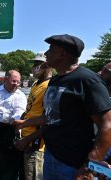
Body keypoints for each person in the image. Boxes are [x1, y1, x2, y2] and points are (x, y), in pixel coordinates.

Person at [17, 34, 111, 179]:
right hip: (51, 157)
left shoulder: (87, 80)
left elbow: (107, 124)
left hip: (74, 165)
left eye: (50, 49)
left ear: (62, 54)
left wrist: (89, 165)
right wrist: (24, 123)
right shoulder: (55, 81)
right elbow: (51, 116)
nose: (47, 53)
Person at [14, 53, 52, 180]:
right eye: (34, 64)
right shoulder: (36, 84)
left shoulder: (50, 86)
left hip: (36, 145)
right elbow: (30, 109)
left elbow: (48, 121)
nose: (34, 67)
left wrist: (28, 139)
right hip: (25, 141)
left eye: (38, 64)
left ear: (46, 66)